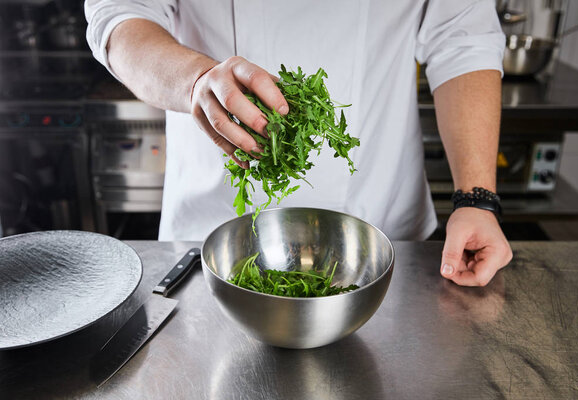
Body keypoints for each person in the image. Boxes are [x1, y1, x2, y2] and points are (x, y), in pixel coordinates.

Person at [85, 0, 513, 287]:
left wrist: (476, 198)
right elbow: (120, 20)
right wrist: (196, 80)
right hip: (209, 245)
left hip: (383, 240)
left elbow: (463, 38)